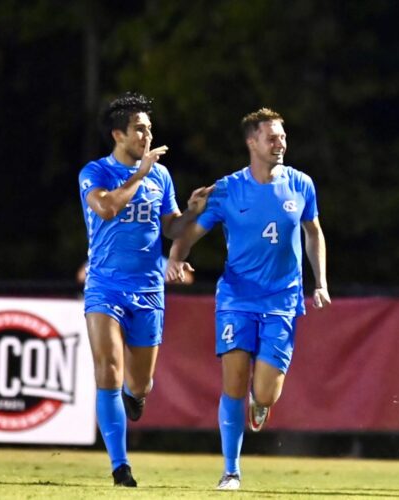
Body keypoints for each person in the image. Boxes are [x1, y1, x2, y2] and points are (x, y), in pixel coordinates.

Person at [167, 107, 330, 491]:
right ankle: (231, 471)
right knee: (234, 382)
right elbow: (190, 233)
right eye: (272, 138)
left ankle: (261, 403)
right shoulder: (227, 190)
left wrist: (320, 282)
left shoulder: (301, 184)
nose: (280, 144)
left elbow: (313, 232)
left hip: (282, 300)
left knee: (265, 392)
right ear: (252, 142)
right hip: (236, 298)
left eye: (283, 137)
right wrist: (175, 257)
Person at [78, 92, 212, 487]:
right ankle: (120, 467)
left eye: (149, 128)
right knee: (108, 369)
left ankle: (135, 396)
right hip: (105, 285)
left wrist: (192, 212)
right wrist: (138, 174)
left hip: (149, 290)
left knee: (138, 384)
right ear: (118, 134)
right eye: (139, 129)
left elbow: (171, 228)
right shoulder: (96, 172)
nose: (147, 136)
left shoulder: (161, 176)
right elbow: (106, 208)